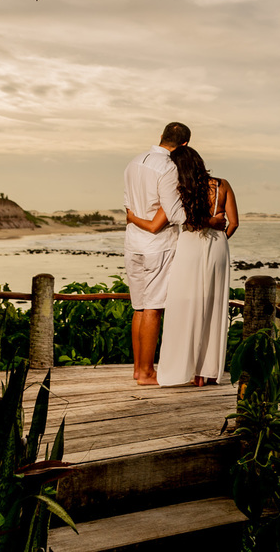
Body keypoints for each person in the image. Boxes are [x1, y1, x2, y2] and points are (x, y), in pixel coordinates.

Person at [126, 146, 239, 386]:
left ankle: (184, 369)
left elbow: (179, 220)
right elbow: (234, 223)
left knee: (185, 306)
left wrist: (132, 217)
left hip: (188, 247)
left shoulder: (182, 190)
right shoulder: (222, 184)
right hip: (218, 247)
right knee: (213, 305)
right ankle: (207, 372)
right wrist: (220, 241)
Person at [123, 122, 190, 385]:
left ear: (161, 136)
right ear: (184, 144)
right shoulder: (169, 167)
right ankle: (147, 372)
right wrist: (194, 215)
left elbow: (128, 207)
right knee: (153, 308)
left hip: (133, 242)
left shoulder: (133, 162)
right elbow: (173, 213)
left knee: (139, 307)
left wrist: (135, 218)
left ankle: (138, 369)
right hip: (158, 245)